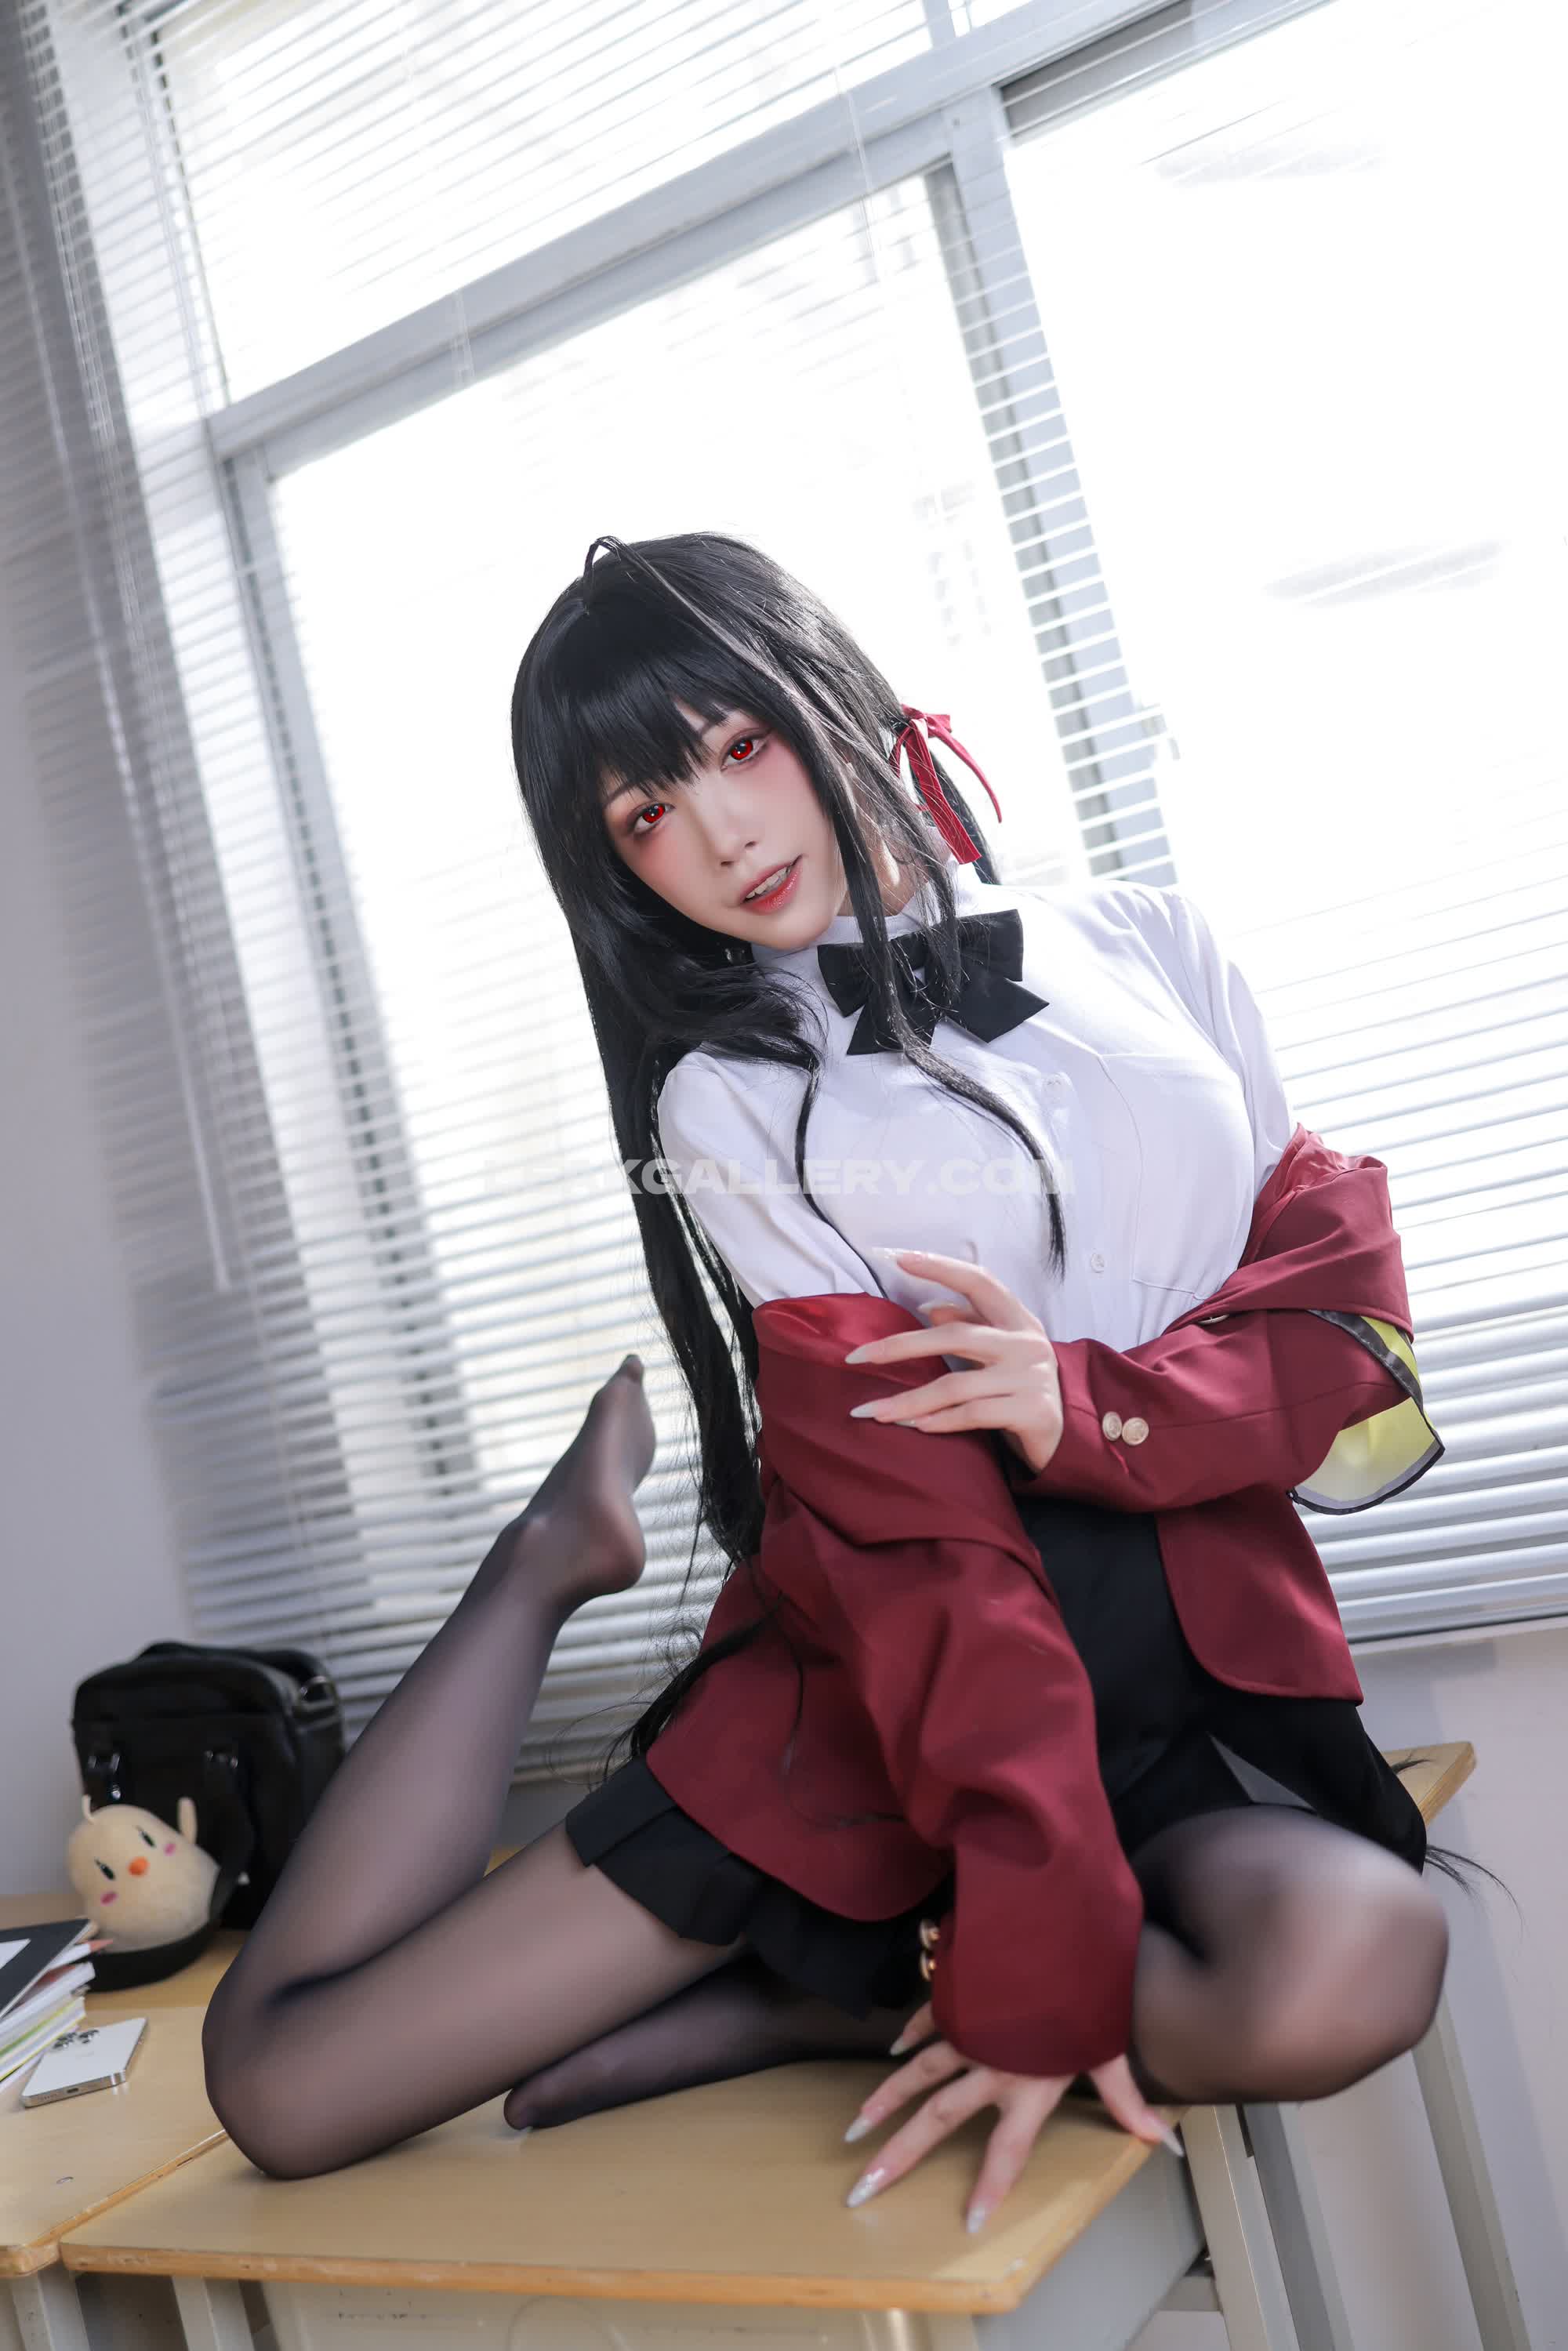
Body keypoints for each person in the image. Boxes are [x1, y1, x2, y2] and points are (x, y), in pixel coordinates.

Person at [202, 531, 1481, 2233]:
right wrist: (1031, 1976)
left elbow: (1340, 1317)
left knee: (1358, 1958)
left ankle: (838, 1998)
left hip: (1184, 1661)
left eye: (740, 746)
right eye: (645, 815)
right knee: (289, 2092)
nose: (723, 835)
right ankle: (545, 1563)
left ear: (835, 700)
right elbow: (924, 1549)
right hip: (898, 1689)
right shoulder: (729, 1103)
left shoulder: (1150, 939)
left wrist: (1086, 1409)